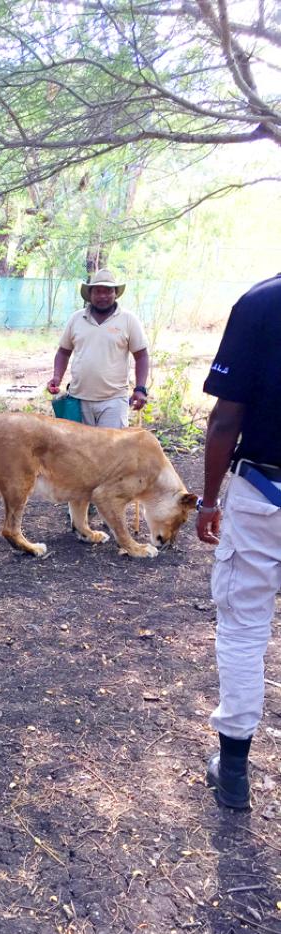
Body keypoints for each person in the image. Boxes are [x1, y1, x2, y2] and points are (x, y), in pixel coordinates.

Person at [196, 273, 281, 810]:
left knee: (245, 625)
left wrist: (209, 499)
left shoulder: (263, 301)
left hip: (265, 489)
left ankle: (233, 772)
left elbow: (227, 416)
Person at [47, 268, 150, 428]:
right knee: (80, 450)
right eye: (98, 291)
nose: (103, 296)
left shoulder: (128, 320)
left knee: (110, 450)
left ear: (115, 293)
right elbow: (63, 352)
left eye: (108, 291)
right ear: (90, 294)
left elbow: (141, 356)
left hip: (113, 401)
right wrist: (57, 377)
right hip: (78, 399)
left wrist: (140, 389)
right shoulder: (76, 318)